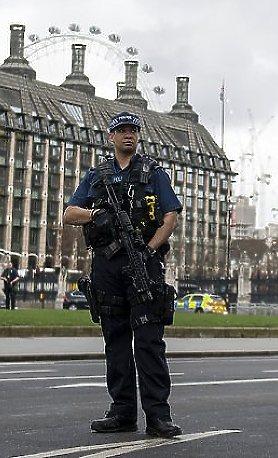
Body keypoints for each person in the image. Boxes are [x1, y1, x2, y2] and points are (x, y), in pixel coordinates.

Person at [63, 111, 182, 438]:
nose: (128, 135)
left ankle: (158, 416)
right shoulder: (96, 175)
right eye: (122, 130)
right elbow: (69, 213)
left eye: (133, 130)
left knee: (148, 342)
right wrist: (95, 213)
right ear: (111, 136)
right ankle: (122, 411)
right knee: (115, 341)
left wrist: (148, 250)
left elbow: (170, 217)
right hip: (107, 267)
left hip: (143, 263)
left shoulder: (153, 173)